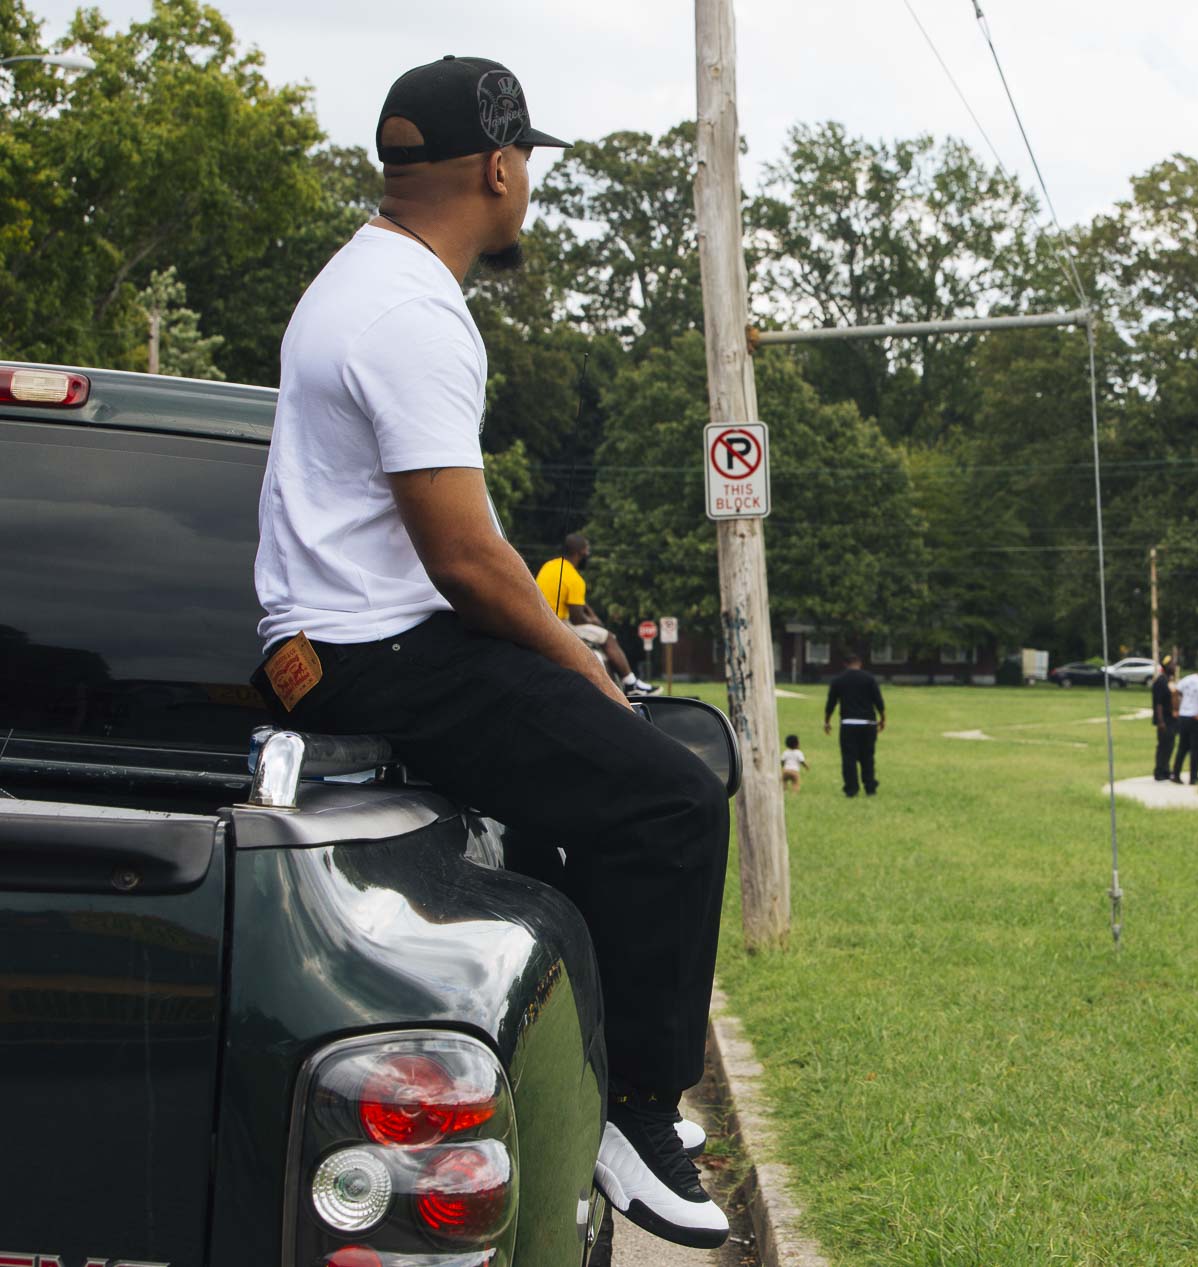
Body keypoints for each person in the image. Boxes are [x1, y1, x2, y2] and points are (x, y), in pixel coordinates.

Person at [249, 58, 730, 1248]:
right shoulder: (414, 310)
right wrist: (583, 673)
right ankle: (635, 1113)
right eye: (527, 175)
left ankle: (582, 1053)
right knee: (669, 794)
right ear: (499, 167)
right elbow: (463, 558)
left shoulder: (351, 282)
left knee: (584, 791)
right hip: (381, 652)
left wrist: (563, 650)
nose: (526, 197)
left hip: (334, 644)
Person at [535, 533, 650, 692]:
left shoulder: (550, 566)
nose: (588, 555)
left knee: (601, 639)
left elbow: (576, 603)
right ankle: (631, 683)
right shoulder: (575, 579)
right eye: (587, 551)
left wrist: (589, 613)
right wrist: (595, 622)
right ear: (579, 553)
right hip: (560, 624)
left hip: (540, 620)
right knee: (608, 637)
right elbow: (577, 619)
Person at [824, 652, 886, 797]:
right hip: (868, 723)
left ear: (845, 664)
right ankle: (870, 787)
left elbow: (831, 703)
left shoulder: (838, 680)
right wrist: (883, 719)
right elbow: (878, 700)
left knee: (848, 758)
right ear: (860, 663)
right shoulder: (869, 679)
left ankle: (851, 789)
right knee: (868, 757)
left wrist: (827, 721)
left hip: (848, 723)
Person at [1171, 658, 1198, 784]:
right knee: (1196, 749)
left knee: (1182, 747)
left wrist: (1176, 709)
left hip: (1183, 716)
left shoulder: (1188, 678)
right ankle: (1193, 776)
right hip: (1196, 719)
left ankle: (1176, 774)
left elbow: (1175, 692)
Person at [1150, 657, 1178, 781]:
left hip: (1171, 719)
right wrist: (1161, 721)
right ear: (1166, 667)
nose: (1174, 667)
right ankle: (1159, 771)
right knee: (1163, 745)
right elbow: (1158, 704)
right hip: (1164, 719)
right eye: (1171, 665)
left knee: (1170, 745)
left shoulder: (1168, 681)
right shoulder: (1160, 682)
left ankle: (1166, 769)